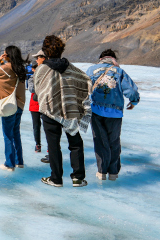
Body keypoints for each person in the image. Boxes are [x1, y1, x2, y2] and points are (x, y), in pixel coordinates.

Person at [35, 35, 90, 188]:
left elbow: (36, 89)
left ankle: (56, 179)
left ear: (45, 51)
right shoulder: (71, 67)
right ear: (61, 50)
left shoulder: (41, 69)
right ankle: (78, 178)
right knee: (75, 143)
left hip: (49, 111)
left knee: (53, 145)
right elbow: (84, 81)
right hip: (69, 109)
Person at [86, 49, 140, 181]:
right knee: (114, 142)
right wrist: (133, 101)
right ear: (113, 59)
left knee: (100, 140)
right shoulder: (120, 72)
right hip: (115, 113)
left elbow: (82, 87)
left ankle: (102, 172)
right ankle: (113, 173)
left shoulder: (91, 70)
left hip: (96, 110)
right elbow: (131, 90)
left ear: (101, 58)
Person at [0, 46, 28, 172]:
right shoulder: (21, 69)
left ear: (8, 55)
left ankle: (9, 163)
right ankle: (19, 161)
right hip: (19, 104)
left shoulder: (5, 68)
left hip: (8, 105)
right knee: (16, 133)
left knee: (8, 135)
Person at [28, 51, 46, 155]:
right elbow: (31, 89)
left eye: (37, 57)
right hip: (35, 104)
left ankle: (49, 147)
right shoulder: (32, 77)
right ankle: (37, 144)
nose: (36, 60)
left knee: (47, 126)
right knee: (36, 126)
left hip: (45, 104)